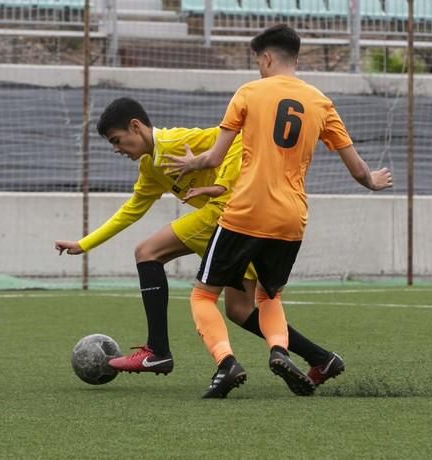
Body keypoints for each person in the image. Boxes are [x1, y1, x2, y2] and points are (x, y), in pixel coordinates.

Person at [162, 24, 393, 398]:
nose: (258, 68)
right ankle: (279, 350)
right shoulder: (320, 102)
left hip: (246, 210)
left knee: (203, 296)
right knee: (269, 297)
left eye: (258, 61)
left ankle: (226, 363)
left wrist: (192, 163)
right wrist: (373, 181)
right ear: (295, 58)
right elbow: (357, 169)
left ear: (266, 57)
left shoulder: (249, 93)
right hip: (291, 219)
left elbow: (215, 156)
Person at [54, 97, 345, 389]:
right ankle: (321, 358)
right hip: (244, 223)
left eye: (117, 140)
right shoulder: (151, 168)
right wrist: (85, 244)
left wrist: (221, 185)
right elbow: (132, 210)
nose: (116, 149)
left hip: (231, 214)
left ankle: (157, 351)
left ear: (136, 126)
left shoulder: (176, 141)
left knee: (147, 252)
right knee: (239, 310)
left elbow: (238, 139)